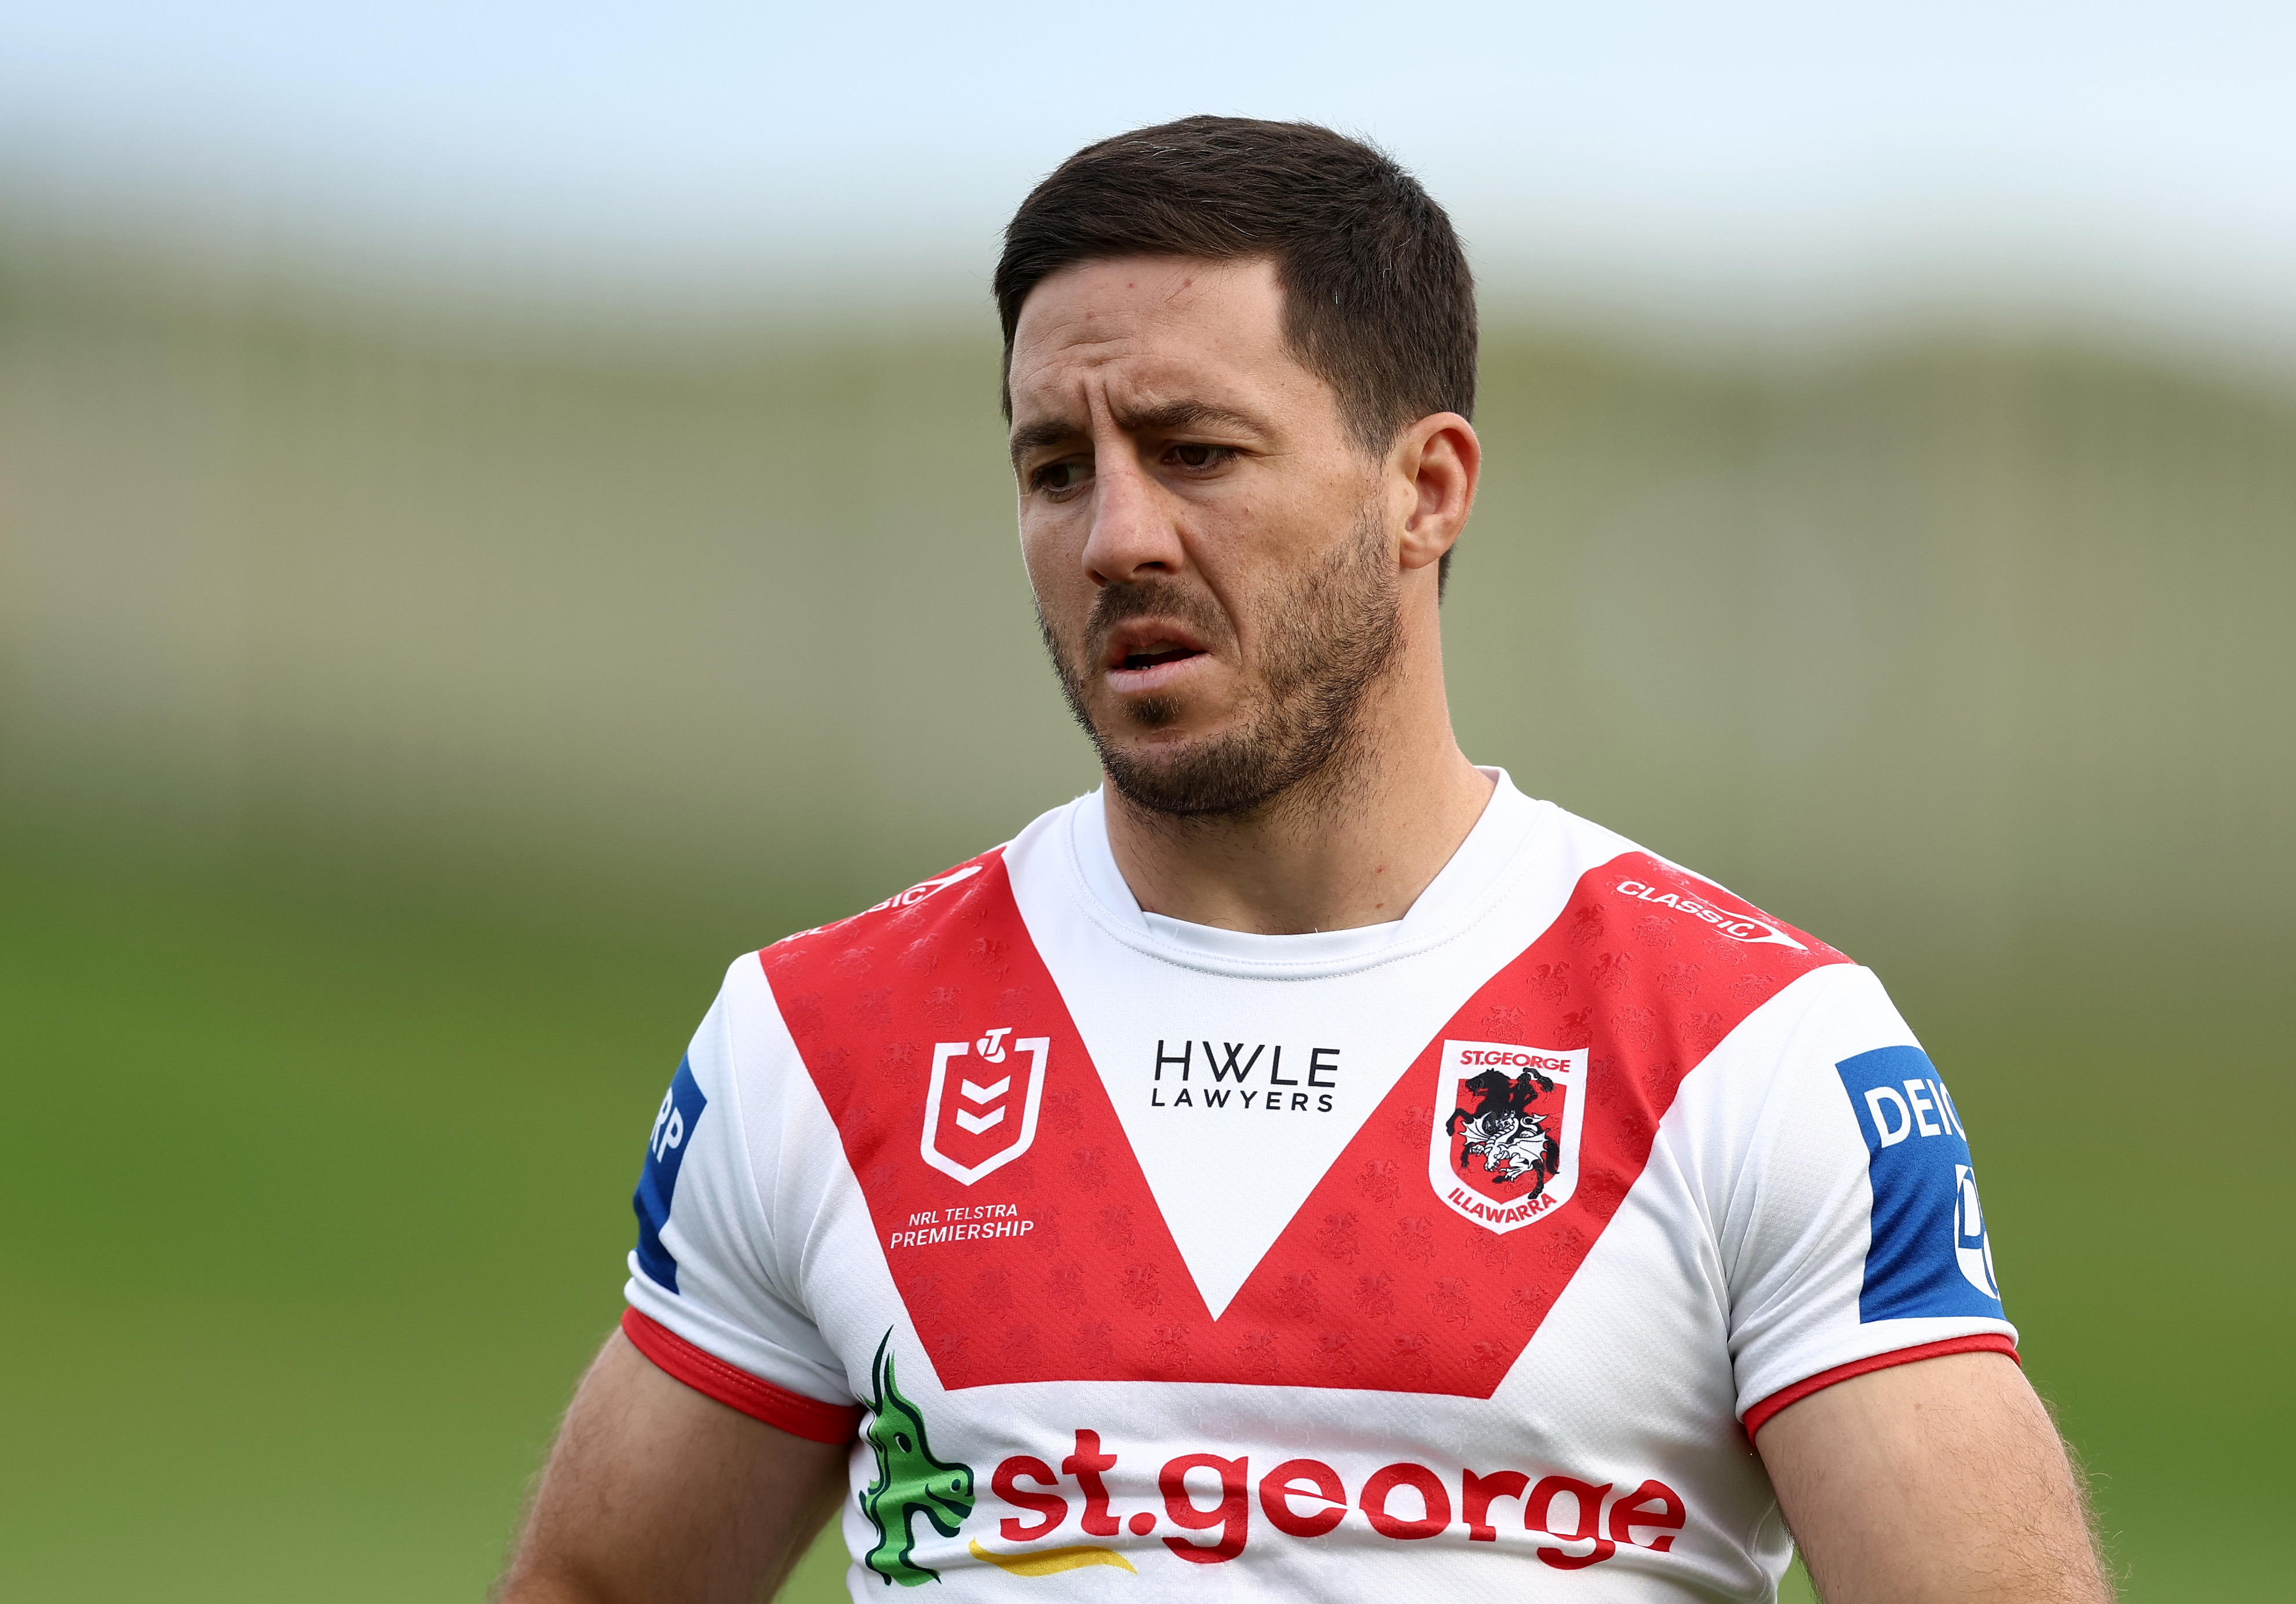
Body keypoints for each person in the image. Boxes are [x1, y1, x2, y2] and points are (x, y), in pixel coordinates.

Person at [497, 116, 2112, 1603]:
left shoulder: (1750, 1051)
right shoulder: (820, 1040)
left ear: (1426, 491)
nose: (1115, 536)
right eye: (1056, 468)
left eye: (1195, 451)